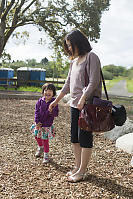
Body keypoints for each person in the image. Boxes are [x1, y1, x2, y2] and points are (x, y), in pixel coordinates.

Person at [49, 29, 102, 182]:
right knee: (74, 138)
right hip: (74, 105)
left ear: (79, 42)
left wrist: (83, 98)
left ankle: (82, 171)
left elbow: (94, 81)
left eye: (71, 45)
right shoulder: (73, 61)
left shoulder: (91, 57)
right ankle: (77, 167)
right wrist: (56, 101)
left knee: (84, 137)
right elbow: (67, 85)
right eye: (68, 46)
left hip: (87, 105)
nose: (70, 48)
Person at [30, 83, 59, 163]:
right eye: (46, 90)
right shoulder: (40, 101)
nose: (47, 92)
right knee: (37, 136)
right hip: (39, 124)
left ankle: (46, 155)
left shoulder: (54, 102)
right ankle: (40, 147)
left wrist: (51, 111)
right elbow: (36, 111)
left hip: (46, 125)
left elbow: (56, 114)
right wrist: (37, 121)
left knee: (45, 140)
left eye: (50, 91)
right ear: (43, 92)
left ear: (53, 93)